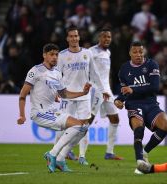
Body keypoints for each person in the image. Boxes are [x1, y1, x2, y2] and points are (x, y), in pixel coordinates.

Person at [17, 43, 92, 173]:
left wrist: (83, 93)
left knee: (83, 127)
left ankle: (60, 159)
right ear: (44, 55)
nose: (55, 57)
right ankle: (53, 154)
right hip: (40, 113)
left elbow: (65, 94)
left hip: (53, 112)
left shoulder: (57, 73)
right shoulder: (35, 71)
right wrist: (22, 115)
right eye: (51, 54)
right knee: (78, 126)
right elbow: (22, 95)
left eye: (56, 54)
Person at [114, 41, 167, 174]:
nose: (138, 55)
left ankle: (144, 152)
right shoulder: (124, 69)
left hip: (151, 104)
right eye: (135, 52)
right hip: (134, 105)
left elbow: (155, 87)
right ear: (130, 53)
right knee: (138, 129)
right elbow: (124, 91)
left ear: (143, 52)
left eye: (140, 52)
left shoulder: (152, 65)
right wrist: (118, 100)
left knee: (166, 125)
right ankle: (140, 161)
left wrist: (132, 89)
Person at [56, 26, 110, 165]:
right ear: (67, 38)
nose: (74, 38)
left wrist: (103, 89)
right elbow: (56, 76)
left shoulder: (87, 53)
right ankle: (56, 155)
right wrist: (55, 92)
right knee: (63, 127)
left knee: (84, 127)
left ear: (79, 37)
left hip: (84, 97)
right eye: (71, 36)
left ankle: (82, 156)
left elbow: (95, 73)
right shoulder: (62, 55)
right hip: (68, 96)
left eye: (76, 36)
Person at [69, 28, 123, 160]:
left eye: (109, 37)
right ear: (99, 38)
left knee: (115, 119)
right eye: (104, 37)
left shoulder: (108, 52)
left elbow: (105, 73)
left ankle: (109, 152)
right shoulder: (91, 51)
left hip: (106, 90)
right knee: (88, 121)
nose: (107, 39)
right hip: (95, 90)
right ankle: (68, 149)